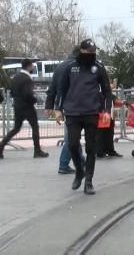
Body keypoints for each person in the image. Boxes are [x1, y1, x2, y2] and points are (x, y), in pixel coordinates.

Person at [56, 39, 113, 195]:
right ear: (81, 52)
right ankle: (79, 171)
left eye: (93, 53)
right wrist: (58, 109)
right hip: (73, 112)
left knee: (90, 148)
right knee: (72, 145)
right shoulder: (70, 67)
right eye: (87, 53)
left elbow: (107, 91)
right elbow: (62, 89)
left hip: (92, 112)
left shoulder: (99, 68)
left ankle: (88, 181)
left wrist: (107, 111)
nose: (90, 56)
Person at [0, 59, 48, 159]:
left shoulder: (16, 77)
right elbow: (28, 94)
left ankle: (0, 146)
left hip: (17, 105)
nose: (32, 67)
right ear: (29, 66)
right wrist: (34, 100)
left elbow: (11, 90)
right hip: (27, 106)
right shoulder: (27, 79)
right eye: (32, 65)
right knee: (35, 127)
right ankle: (37, 150)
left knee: (16, 128)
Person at [45, 46, 84, 174]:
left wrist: (49, 105)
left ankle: (81, 161)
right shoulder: (76, 67)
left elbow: (53, 88)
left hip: (64, 105)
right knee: (71, 137)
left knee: (73, 135)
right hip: (74, 105)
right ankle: (63, 164)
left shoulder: (60, 67)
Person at [96, 79, 123, 158]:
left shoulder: (110, 94)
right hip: (102, 117)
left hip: (110, 117)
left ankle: (110, 150)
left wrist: (122, 102)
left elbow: (116, 101)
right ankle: (100, 152)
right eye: (111, 84)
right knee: (100, 135)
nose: (113, 85)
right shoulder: (99, 94)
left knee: (109, 135)